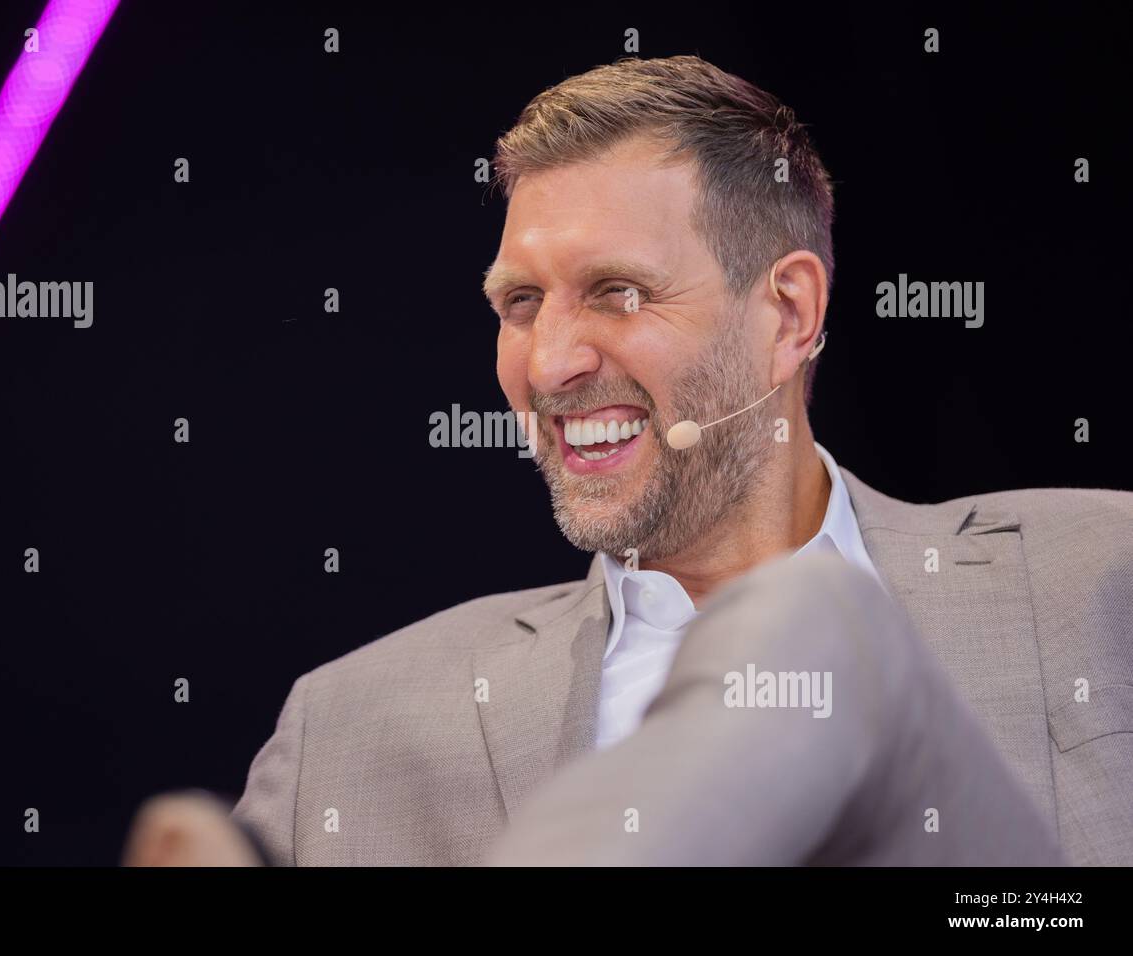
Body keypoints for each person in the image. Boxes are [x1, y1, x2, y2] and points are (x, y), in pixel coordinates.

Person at [222, 55, 1133, 866]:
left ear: (788, 314)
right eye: (523, 302)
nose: (549, 365)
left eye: (618, 293)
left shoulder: (1099, 575)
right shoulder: (348, 731)